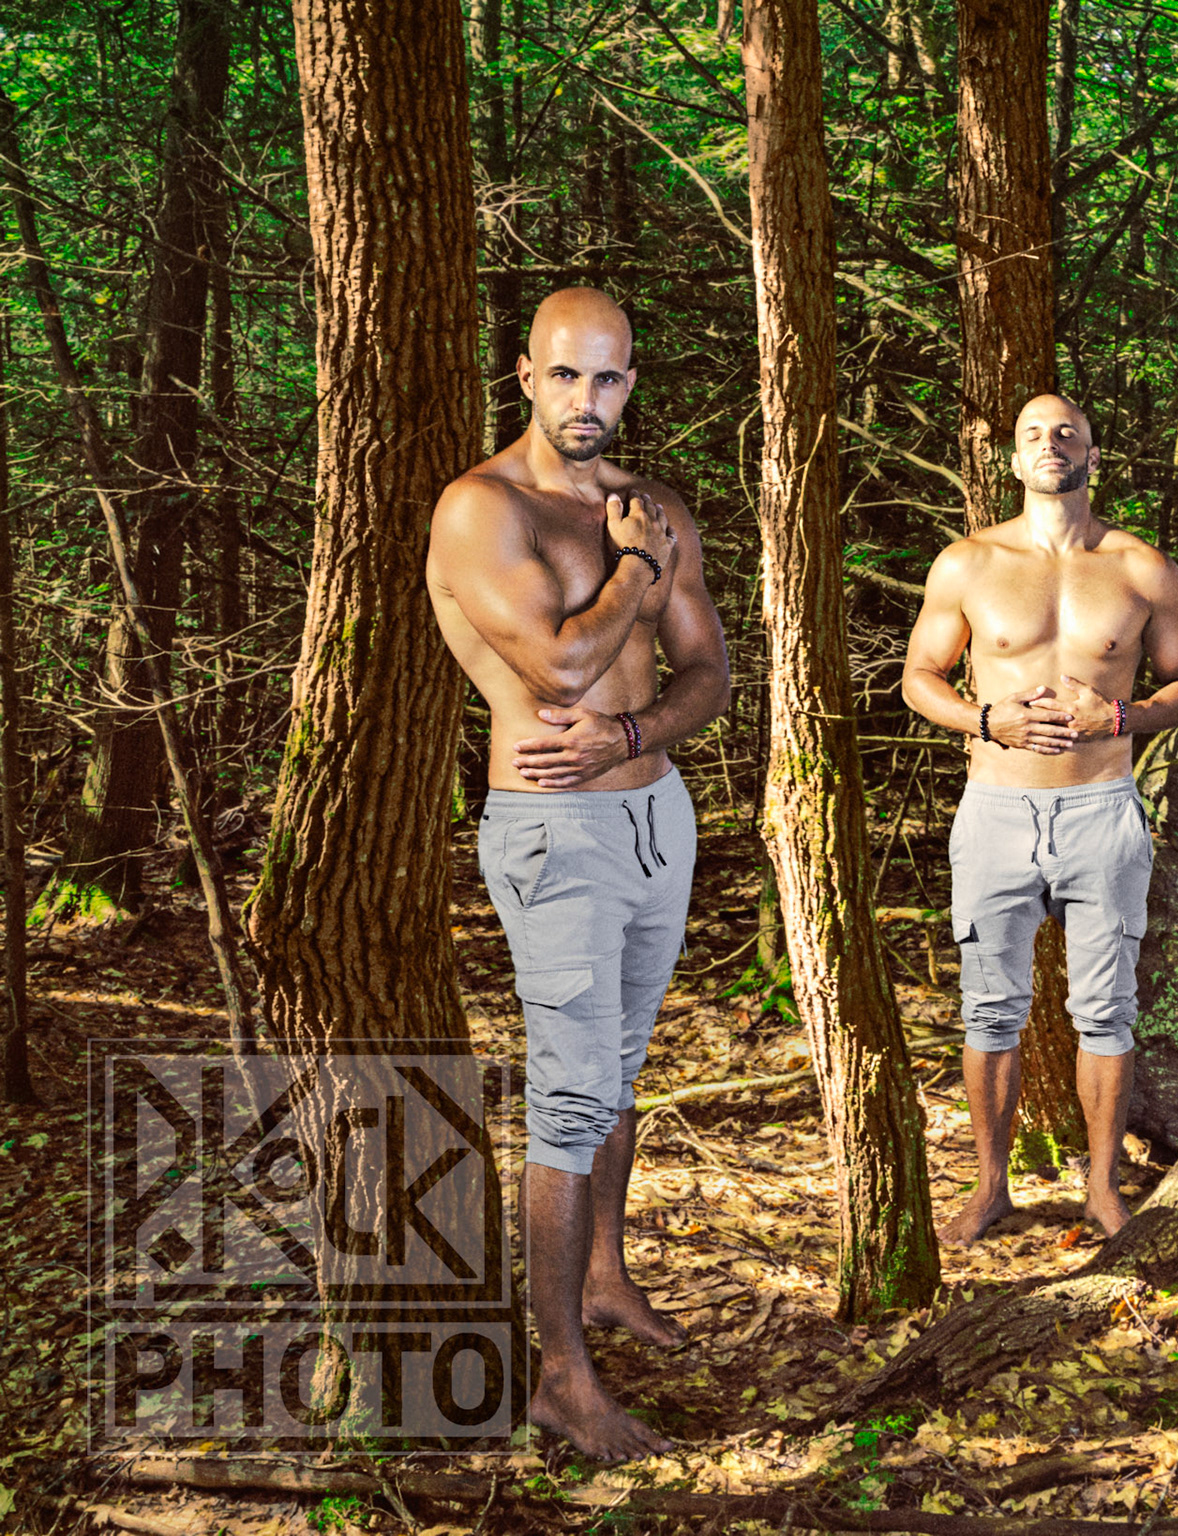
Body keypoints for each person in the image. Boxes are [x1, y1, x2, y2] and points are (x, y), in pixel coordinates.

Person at [427, 287, 729, 1459]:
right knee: (567, 1100)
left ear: (630, 383)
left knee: (620, 1075)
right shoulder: (483, 509)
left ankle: (605, 1278)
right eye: (565, 375)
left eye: (607, 378)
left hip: (656, 819)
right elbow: (557, 671)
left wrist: (637, 734)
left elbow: (708, 674)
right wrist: (635, 574)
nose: (586, 399)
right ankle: (561, 1377)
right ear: (525, 376)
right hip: (554, 833)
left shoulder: (654, 509)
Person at [901, 393, 1178, 1246]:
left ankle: (1103, 1191)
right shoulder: (968, 563)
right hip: (996, 810)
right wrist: (983, 718)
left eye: (1067, 432)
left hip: (1101, 810)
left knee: (1106, 1012)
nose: (1051, 443)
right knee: (989, 1013)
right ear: (1013, 459)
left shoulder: (1142, 568)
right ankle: (990, 1187)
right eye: (1033, 433)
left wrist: (1120, 717)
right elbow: (920, 676)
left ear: (1092, 455)